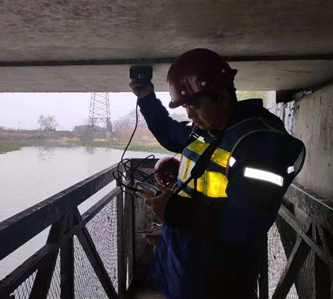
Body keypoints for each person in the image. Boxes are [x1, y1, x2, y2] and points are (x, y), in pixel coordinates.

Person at [129, 48, 305, 299]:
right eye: (186, 106)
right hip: (180, 262)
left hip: (216, 277)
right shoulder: (207, 129)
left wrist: (173, 212)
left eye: (195, 105)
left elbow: (246, 223)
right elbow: (170, 134)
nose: (189, 115)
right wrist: (146, 98)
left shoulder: (259, 144)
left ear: (222, 98)